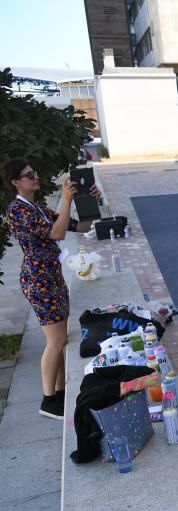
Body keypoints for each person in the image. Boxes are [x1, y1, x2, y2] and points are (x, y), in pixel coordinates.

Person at [3, 159, 102, 419]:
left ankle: (59, 394)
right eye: (29, 175)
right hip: (39, 281)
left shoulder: (37, 207)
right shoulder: (17, 211)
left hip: (52, 277)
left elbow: (79, 227)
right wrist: (67, 200)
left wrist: (90, 203)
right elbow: (56, 234)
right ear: (15, 182)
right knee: (55, 341)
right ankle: (48, 400)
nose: (35, 177)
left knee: (61, 340)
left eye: (35, 172)